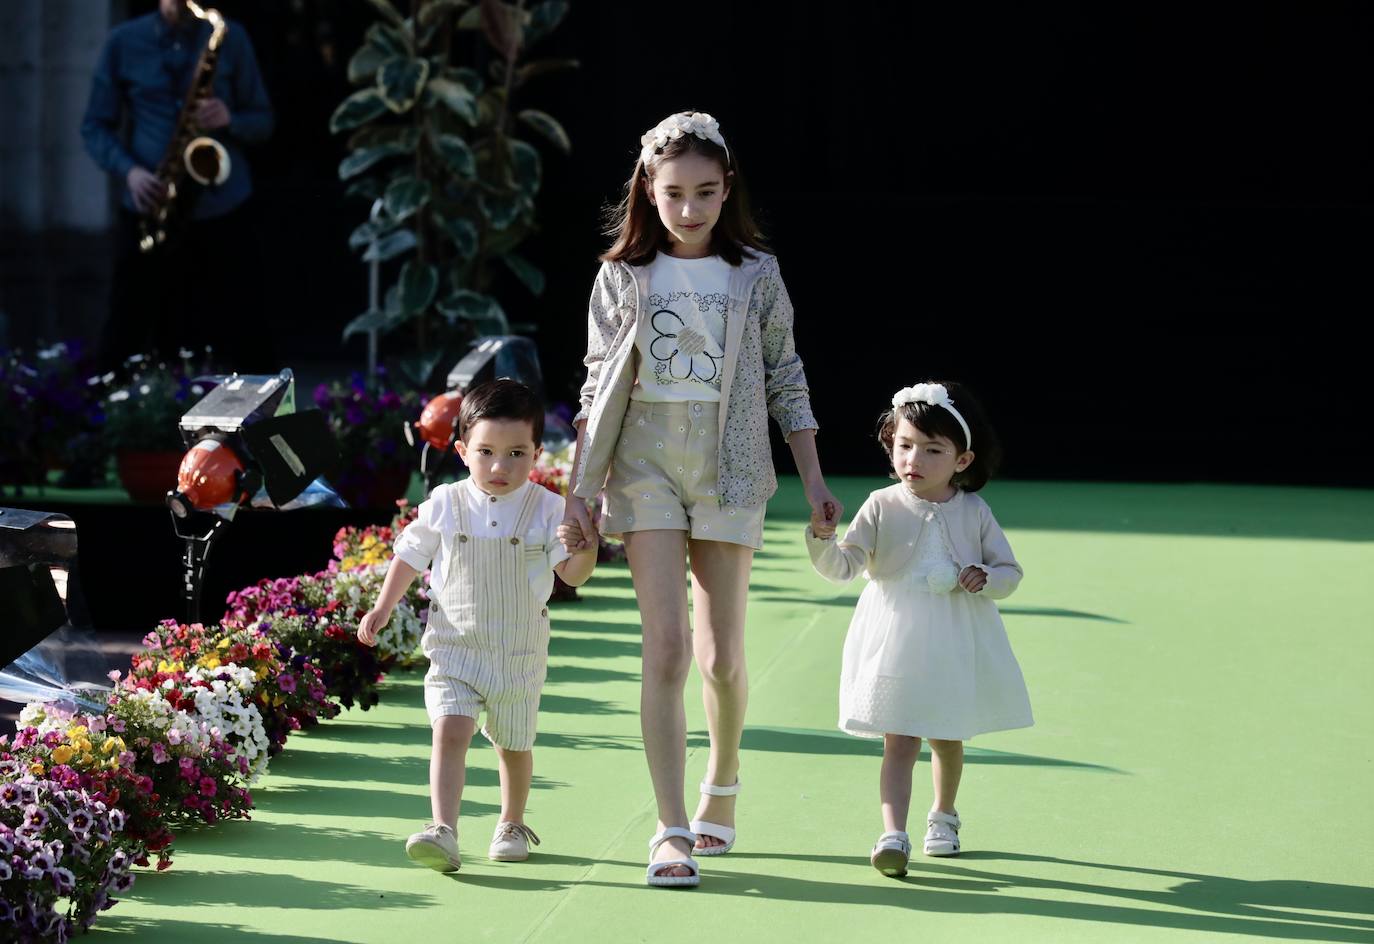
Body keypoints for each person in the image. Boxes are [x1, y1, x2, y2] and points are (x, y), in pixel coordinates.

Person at [561, 111, 842, 887]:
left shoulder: (757, 273)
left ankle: (724, 778)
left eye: (706, 193)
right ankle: (670, 827)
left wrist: (814, 476)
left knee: (721, 657)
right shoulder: (622, 274)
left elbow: (786, 374)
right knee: (667, 649)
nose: (690, 209)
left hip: (733, 463)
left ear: (728, 191)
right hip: (642, 460)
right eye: (675, 192)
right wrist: (577, 493)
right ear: (648, 191)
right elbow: (595, 386)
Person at [358, 379, 598, 872]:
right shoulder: (445, 502)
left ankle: (511, 822)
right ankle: (443, 829)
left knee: (514, 744)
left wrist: (585, 544)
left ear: (536, 454)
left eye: (516, 453)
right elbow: (409, 554)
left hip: (518, 650)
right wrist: (383, 605)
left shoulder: (548, 509)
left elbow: (571, 575)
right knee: (449, 730)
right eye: (486, 451)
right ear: (463, 450)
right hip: (454, 647)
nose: (499, 466)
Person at [807, 381, 1033, 878]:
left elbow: (1009, 573)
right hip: (895, 637)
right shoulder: (881, 504)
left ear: (963, 460)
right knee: (899, 737)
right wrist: (823, 541)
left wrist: (986, 577)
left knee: (946, 736)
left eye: (933, 450)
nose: (915, 459)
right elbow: (845, 566)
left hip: (953, 637)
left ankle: (944, 815)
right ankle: (893, 833)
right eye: (905, 445)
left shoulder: (974, 511)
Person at [80, 0, 274, 371]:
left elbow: (263, 120)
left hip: (222, 204)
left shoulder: (229, 36)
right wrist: (130, 172)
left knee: (248, 331)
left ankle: (263, 423)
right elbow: (94, 126)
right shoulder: (123, 41)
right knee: (127, 330)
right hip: (152, 206)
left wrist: (230, 118)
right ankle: (110, 420)